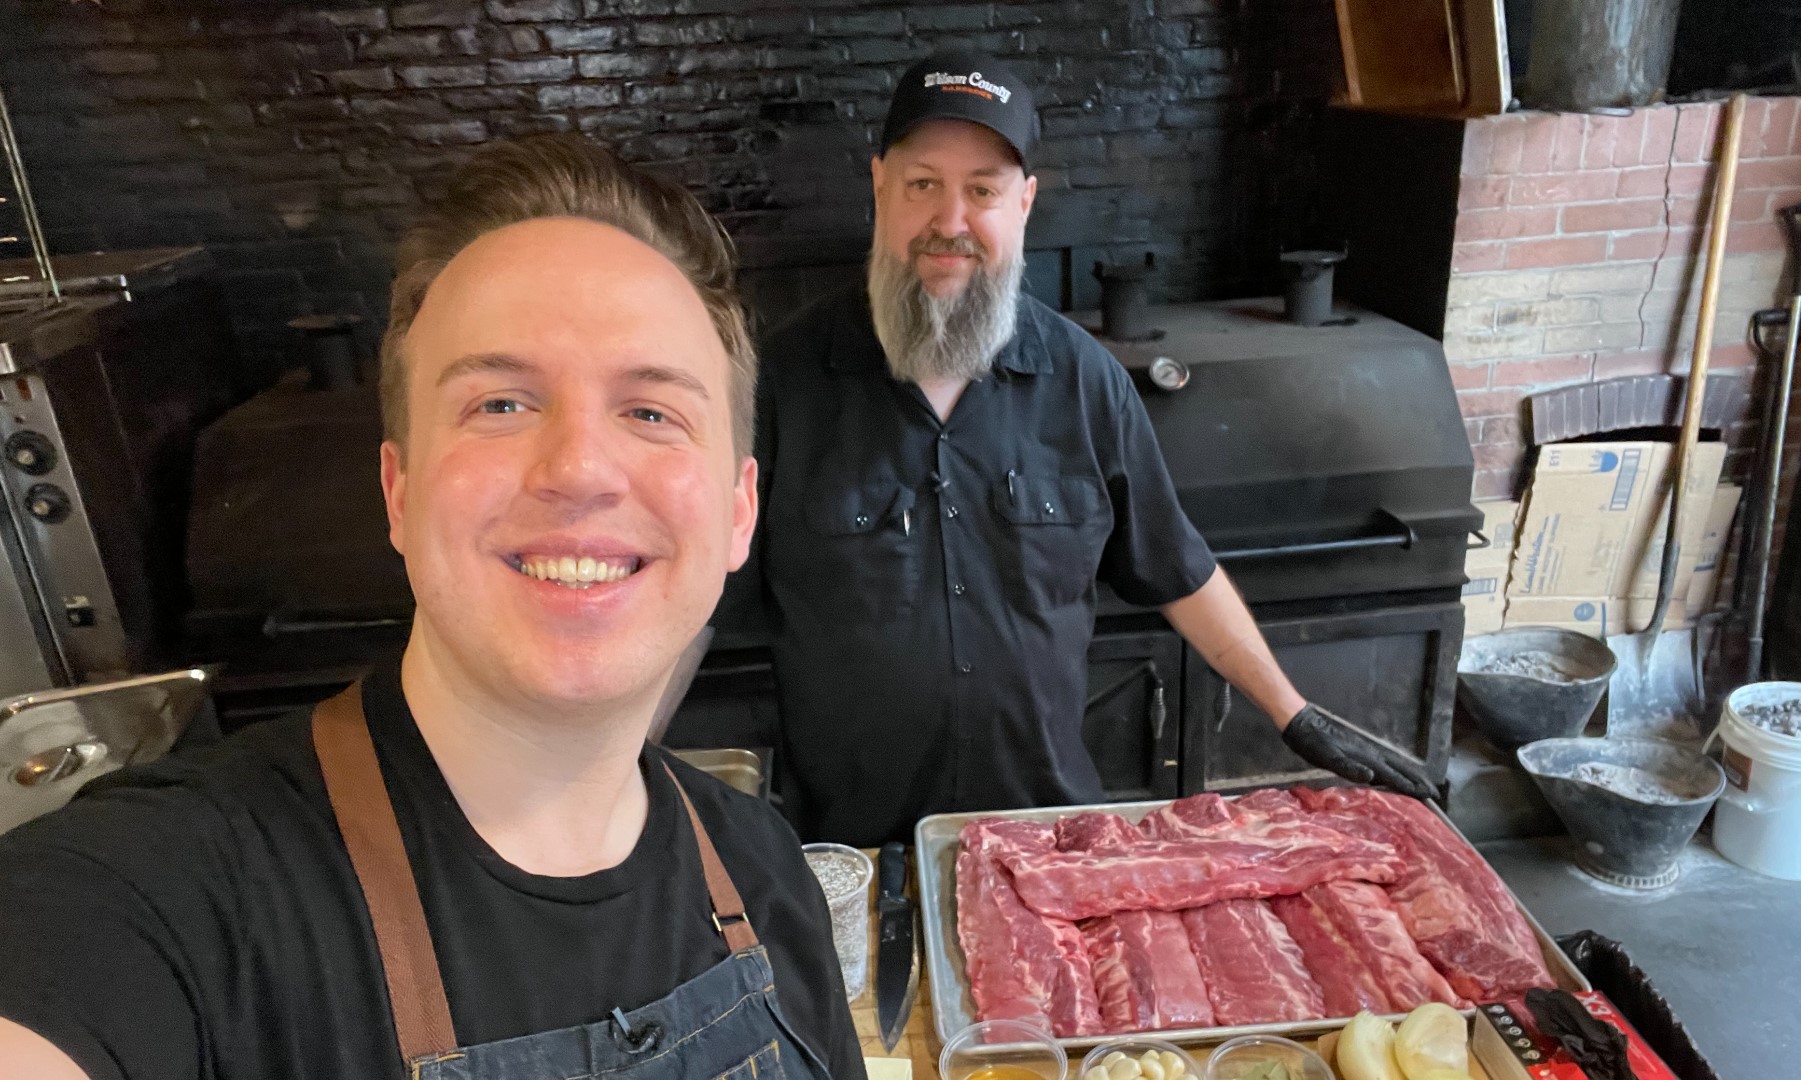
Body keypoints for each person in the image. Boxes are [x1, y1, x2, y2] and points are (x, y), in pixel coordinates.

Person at [0, 135, 862, 1080]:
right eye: (500, 403)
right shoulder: (172, 894)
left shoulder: (768, 873)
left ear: (738, 512)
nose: (577, 468)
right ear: (399, 491)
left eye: (652, 411)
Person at [756, 54, 1437, 847]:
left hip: (1044, 833)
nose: (950, 220)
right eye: (921, 185)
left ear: (1025, 203)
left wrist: (1295, 713)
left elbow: (1177, 568)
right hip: (850, 849)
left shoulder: (1084, 381)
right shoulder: (783, 381)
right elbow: (688, 596)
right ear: (878, 184)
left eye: (982, 190)